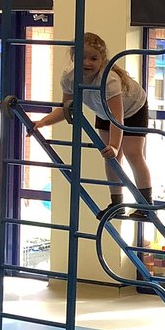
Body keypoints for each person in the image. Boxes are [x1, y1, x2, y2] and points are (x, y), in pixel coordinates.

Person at [32, 32, 154, 220]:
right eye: (82, 58)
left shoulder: (109, 80)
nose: (87, 63)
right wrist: (42, 123)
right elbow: (67, 110)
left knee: (132, 152)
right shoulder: (70, 79)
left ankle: (146, 204)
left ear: (102, 59)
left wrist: (115, 145)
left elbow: (117, 117)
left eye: (94, 58)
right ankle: (117, 203)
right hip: (104, 111)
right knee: (110, 157)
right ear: (73, 57)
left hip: (132, 108)